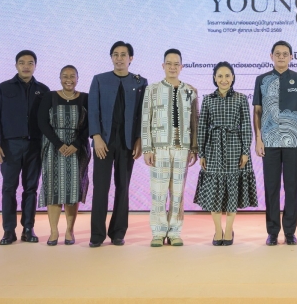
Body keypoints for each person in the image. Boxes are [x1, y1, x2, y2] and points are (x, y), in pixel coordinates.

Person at [88, 41, 148, 247]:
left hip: (127, 143)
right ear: (111, 57)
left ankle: (118, 233)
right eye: (116, 54)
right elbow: (93, 110)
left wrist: (139, 139)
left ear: (131, 58)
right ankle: (97, 235)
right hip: (103, 143)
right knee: (101, 188)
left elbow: (142, 114)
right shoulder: (99, 80)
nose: (119, 58)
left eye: (123, 54)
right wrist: (96, 137)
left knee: (123, 187)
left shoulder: (140, 82)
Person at [253, 41, 297, 246]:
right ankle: (272, 232)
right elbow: (258, 111)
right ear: (271, 56)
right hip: (269, 141)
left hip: (294, 141)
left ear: (291, 57)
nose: (281, 57)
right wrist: (258, 138)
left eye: (285, 54)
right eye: (277, 54)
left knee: (291, 187)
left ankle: (289, 232)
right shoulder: (262, 80)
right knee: (271, 188)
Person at [0, 50, 49, 245]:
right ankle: (8, 231)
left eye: (30, 63)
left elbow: (48, 120)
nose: (26, 66)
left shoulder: (43, 90)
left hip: (35, 146)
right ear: (16, 65)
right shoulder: (3, 88)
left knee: (31, 188)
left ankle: (28, 229)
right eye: (22, 62)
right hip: (9, 146)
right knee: (9, 188)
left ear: (35, 66)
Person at [194, 62, 258, 246]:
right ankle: (217, 231)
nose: (224, 80)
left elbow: (246, 126)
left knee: (232, 191)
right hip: (213, 148)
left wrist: (245, 152)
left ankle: (229, 230)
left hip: (234, 148)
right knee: (214, 192)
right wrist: (202, 153)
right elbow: (202, 127)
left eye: (227, 76)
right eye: (220, 76)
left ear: (233, 77)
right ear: (214, 78)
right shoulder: (208, 99)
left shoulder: (240, 98)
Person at [141, 49, 198, 247]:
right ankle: (158, 232)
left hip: (182, 148)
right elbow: (145, 119)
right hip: (159, 148)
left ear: (181, 67)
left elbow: (195, 121)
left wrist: (194, 148)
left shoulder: (190, 90)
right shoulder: (152, 89)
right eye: (169, 63)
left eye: (176, 64)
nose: (172, 67)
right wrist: (147, 148)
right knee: (158, 192)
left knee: (178, 193)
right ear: (163, 66)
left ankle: (174, 232)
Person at [37, 65, 91, 245]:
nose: (69, 80)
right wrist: (59, 144)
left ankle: (69, 231)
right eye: (65, 76)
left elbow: (90, 124)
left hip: (77, 149)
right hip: (53, 148)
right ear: (60, 78)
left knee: (72, 191)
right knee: (53, 190)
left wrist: (76, 144)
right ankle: (53, 232)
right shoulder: (50, 97)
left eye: (72, 76)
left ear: (78, 78)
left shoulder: (85, 98)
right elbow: (42, 122)